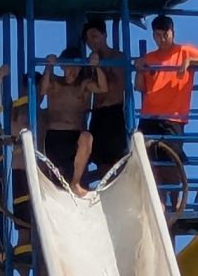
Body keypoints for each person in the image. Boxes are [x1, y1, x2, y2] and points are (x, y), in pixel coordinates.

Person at [136, 13, 198, 145]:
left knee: (171, 154)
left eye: (165, 35)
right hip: (149, 116)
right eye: (158, 35)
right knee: (142, 153)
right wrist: (139, 70)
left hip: (174, 118)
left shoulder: (184, 51)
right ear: (153, 36)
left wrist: (190, 61)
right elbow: (139, 87)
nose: (162, 39)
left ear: (173, 33)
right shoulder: (148, 58)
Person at [36, 51, 94, 188]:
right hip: (55, 136)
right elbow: (42, 90)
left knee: (87, 138)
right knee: (56, 181)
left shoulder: (83, 87)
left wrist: (96, 65)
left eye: (76, 67)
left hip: (74, 136)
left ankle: (76, 183)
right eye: (68, 66)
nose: (72, 71)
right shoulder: (55, 83)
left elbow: (101, 87)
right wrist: (48, 66)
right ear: (62, 67)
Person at [80, 21, 129, 182]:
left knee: (117, 161)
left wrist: (99, 68)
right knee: (100, 161)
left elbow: (117, 86)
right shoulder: (89, 61)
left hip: (114, 112)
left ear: (104, 35)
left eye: (94, 36)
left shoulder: (117, 57)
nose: (91, 42)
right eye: (87, 39)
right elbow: (87, 89)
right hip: (97, 114)